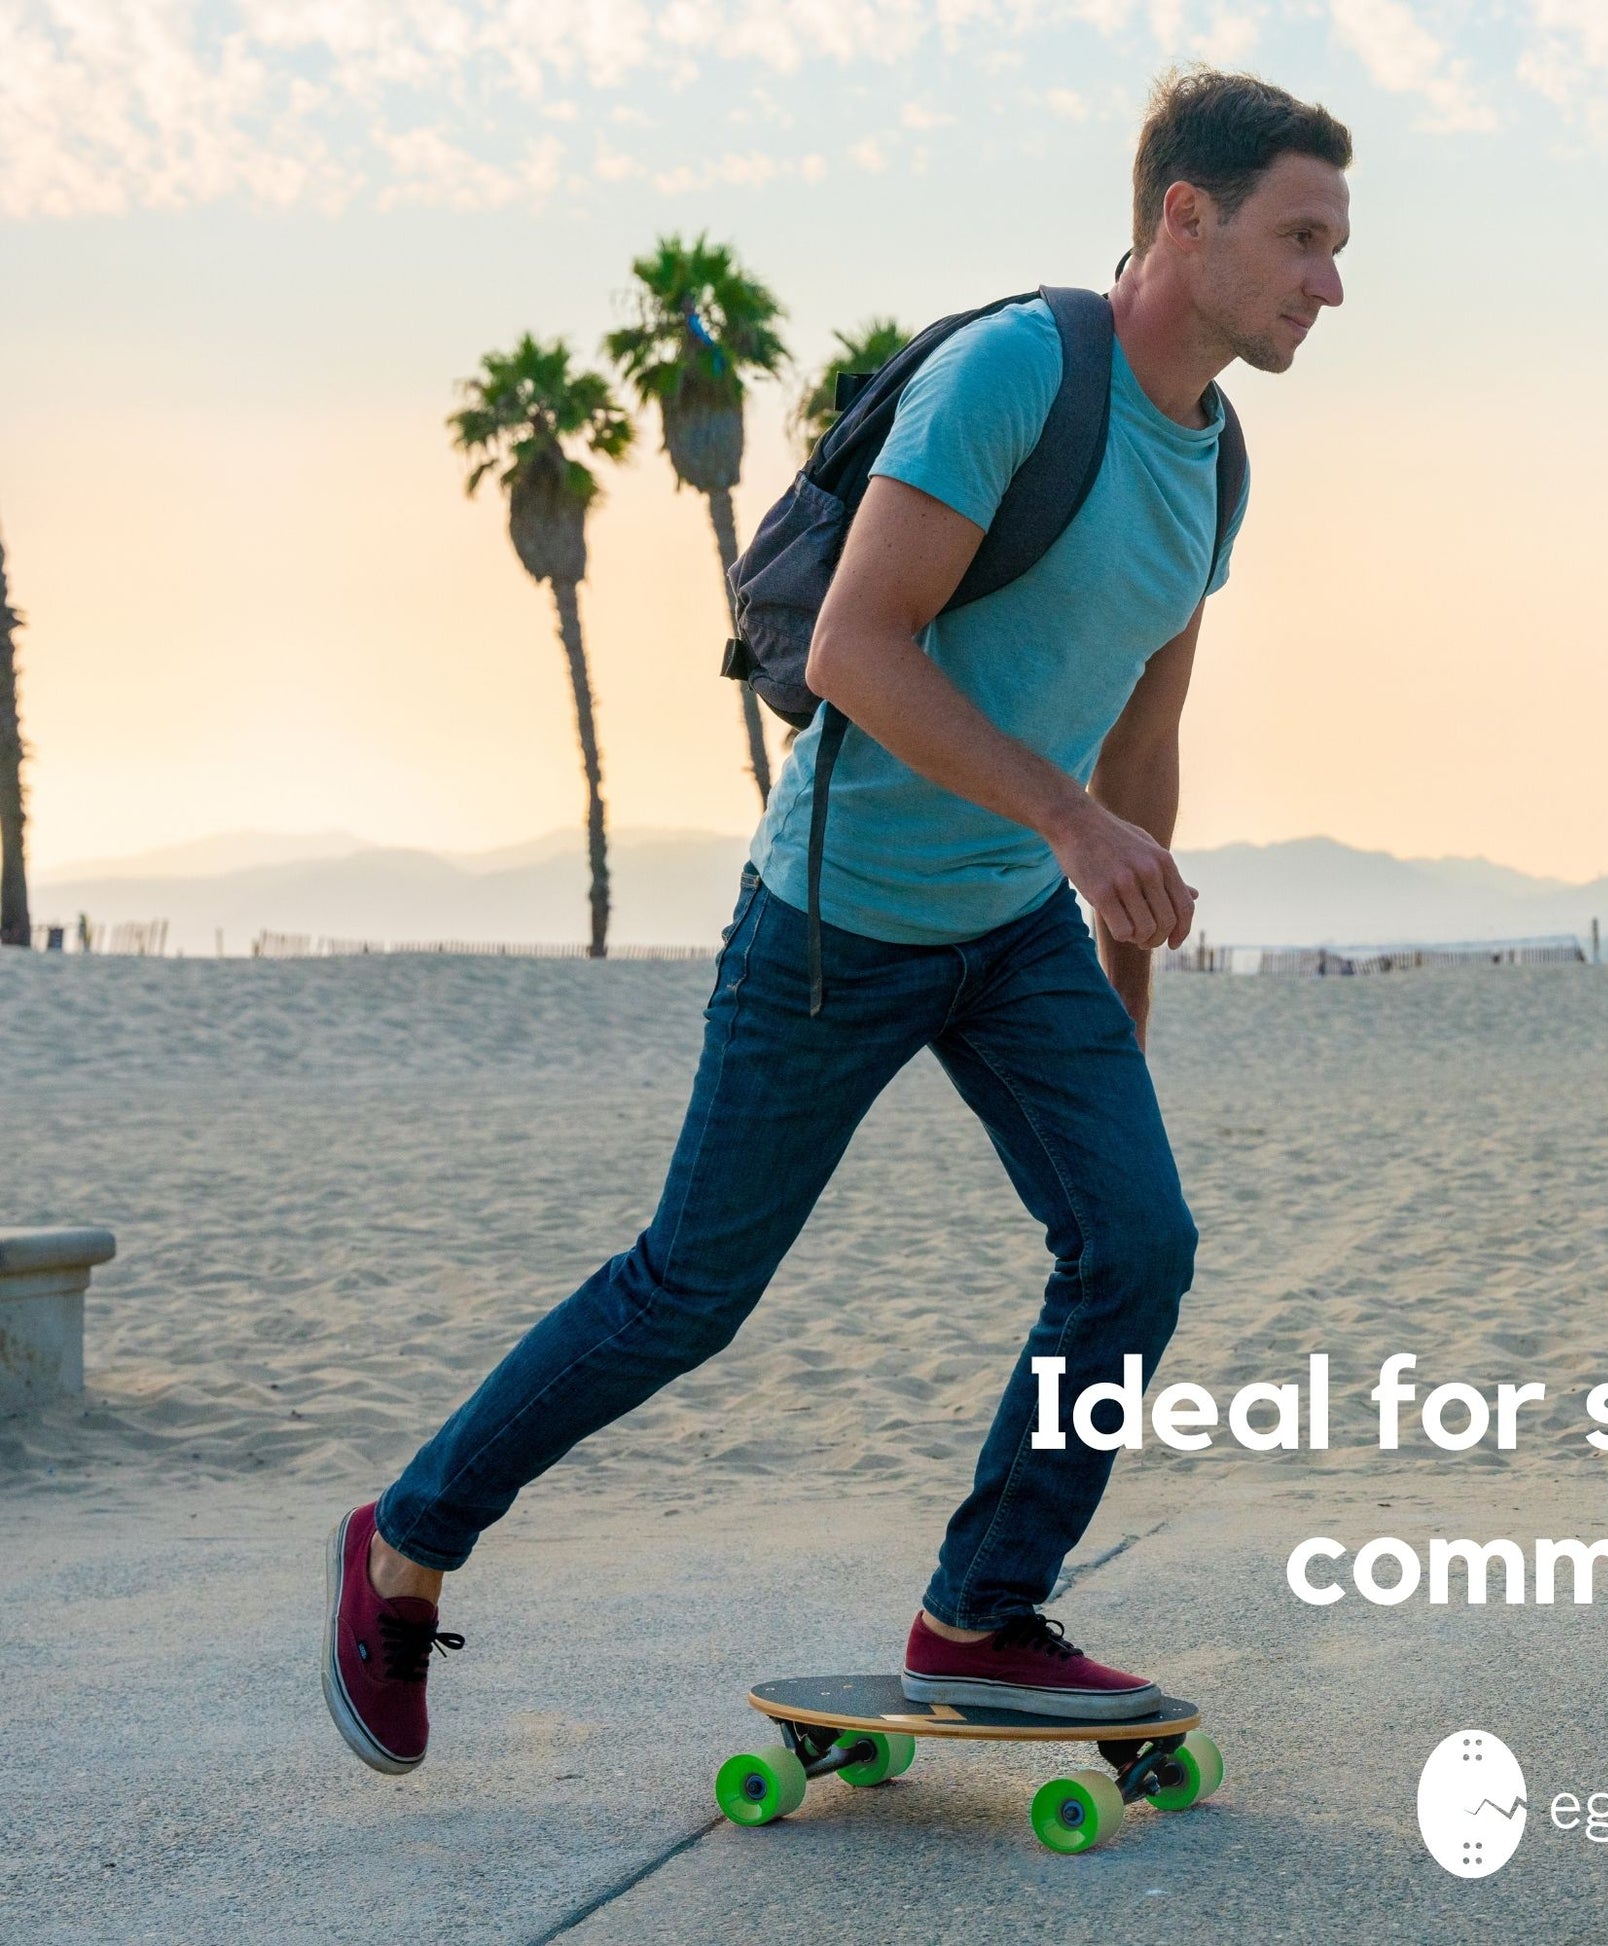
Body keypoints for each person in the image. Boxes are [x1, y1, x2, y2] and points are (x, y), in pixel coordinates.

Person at [323, 67, 1352, 1776]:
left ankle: (981, 1607)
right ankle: (405, 1536)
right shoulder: (1017, 373)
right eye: (1301, 238)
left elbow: (1143, 743)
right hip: (835, 920)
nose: (1329, 282)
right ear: (1187, 214)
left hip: (1018, 929)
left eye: (1336, 246)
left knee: (1138, 1242)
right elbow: (861, 651)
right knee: (686, 1290)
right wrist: (1073, 823)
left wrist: (1121, 1009)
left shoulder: (1216, 462)